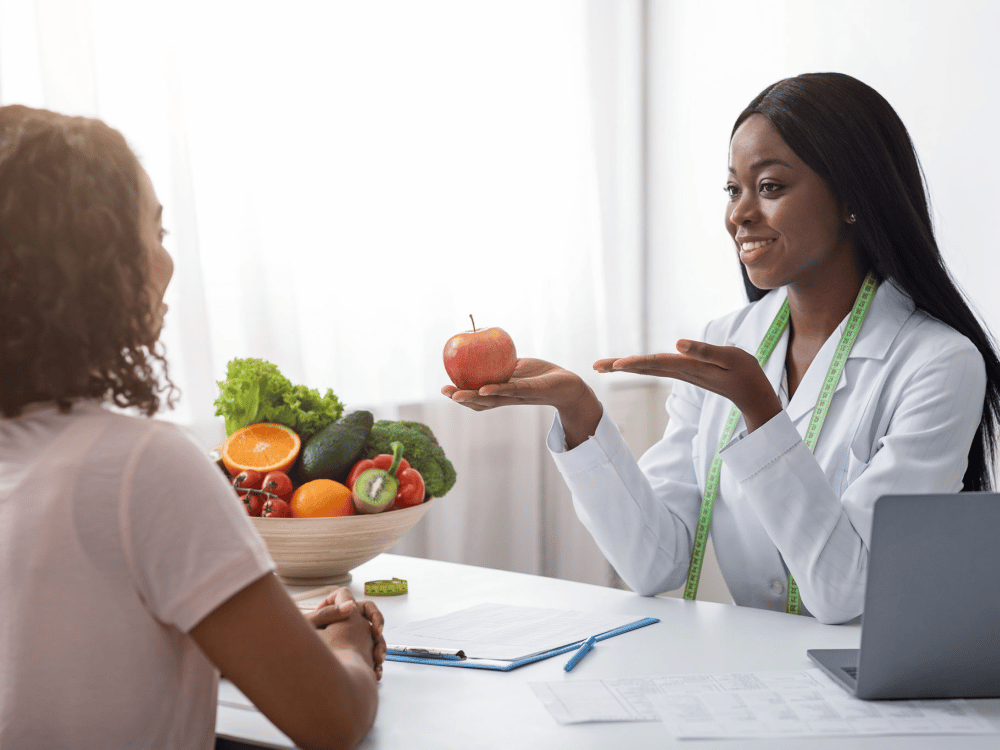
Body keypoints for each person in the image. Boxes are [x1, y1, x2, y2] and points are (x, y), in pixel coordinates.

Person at [444, 72, 1000, 626]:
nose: (739, 214)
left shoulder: (939, 364)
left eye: (771, 187)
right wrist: (579, 413)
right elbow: (654, 562)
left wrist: (761, 413)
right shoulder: (727, 342)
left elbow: (846, 592)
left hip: (868, 684)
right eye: (734, 189)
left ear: (853, 197)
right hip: (756, 679)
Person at [0, 107, 384, 750]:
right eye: (152, 234)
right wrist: (348, 644)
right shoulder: (139, 466)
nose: (167, 263)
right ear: (94, 269)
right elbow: (332, 720)